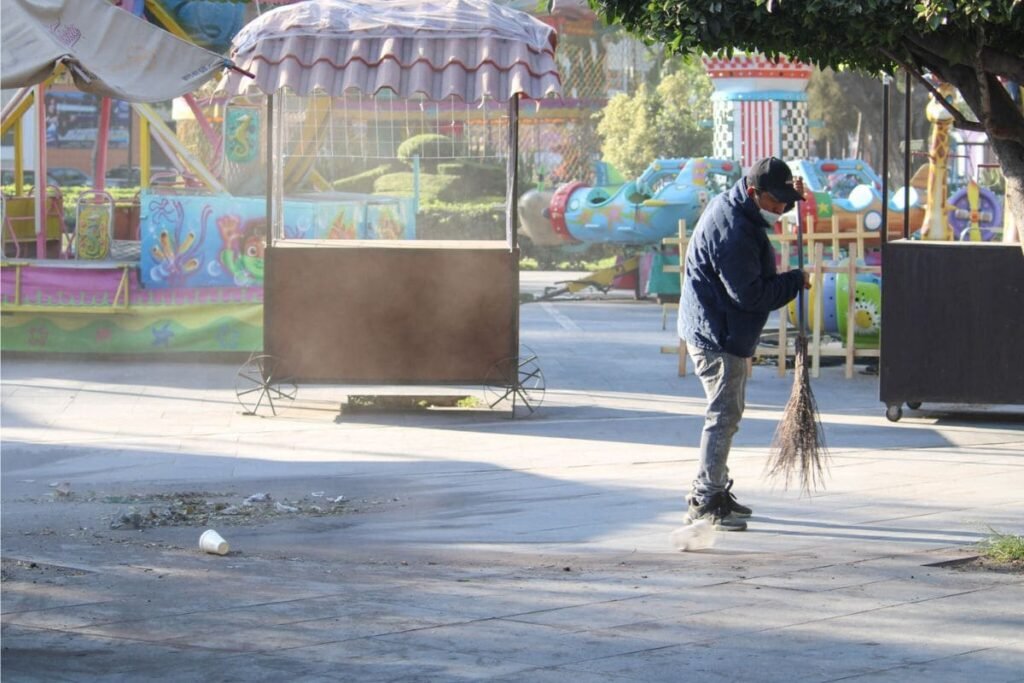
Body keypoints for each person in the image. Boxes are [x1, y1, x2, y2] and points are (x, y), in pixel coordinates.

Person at [678, 156, 810, 531]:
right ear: (754, 193)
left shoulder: (739, 208)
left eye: (787, 201)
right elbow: (749, 295)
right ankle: (705, 500)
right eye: (776, 202)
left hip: (718, 324)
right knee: (723, 416)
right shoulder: (734, 231)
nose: (782, 209)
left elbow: (779, 202)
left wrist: (794, 197)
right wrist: (794, 281)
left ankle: (714, 488)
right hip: (717, 332)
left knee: (728, 413)